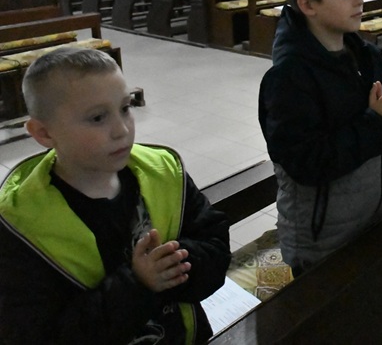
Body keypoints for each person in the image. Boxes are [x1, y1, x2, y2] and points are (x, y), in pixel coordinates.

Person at [0, 47, 230, 344]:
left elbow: (215, 245)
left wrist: (177, 263)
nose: (122, 130)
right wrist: (138, 285)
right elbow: (36, 334)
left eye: (125, 108)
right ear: (44, 133)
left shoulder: (162, 172)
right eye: (97, 118)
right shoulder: (20, 222)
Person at [258, 0, 382, 276]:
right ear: (308, 4)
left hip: (373, 214)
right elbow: (307, 163)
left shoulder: (365, 56)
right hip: (321, 238)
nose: (359, 1)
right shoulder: (288, 78)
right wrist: (378, 122)